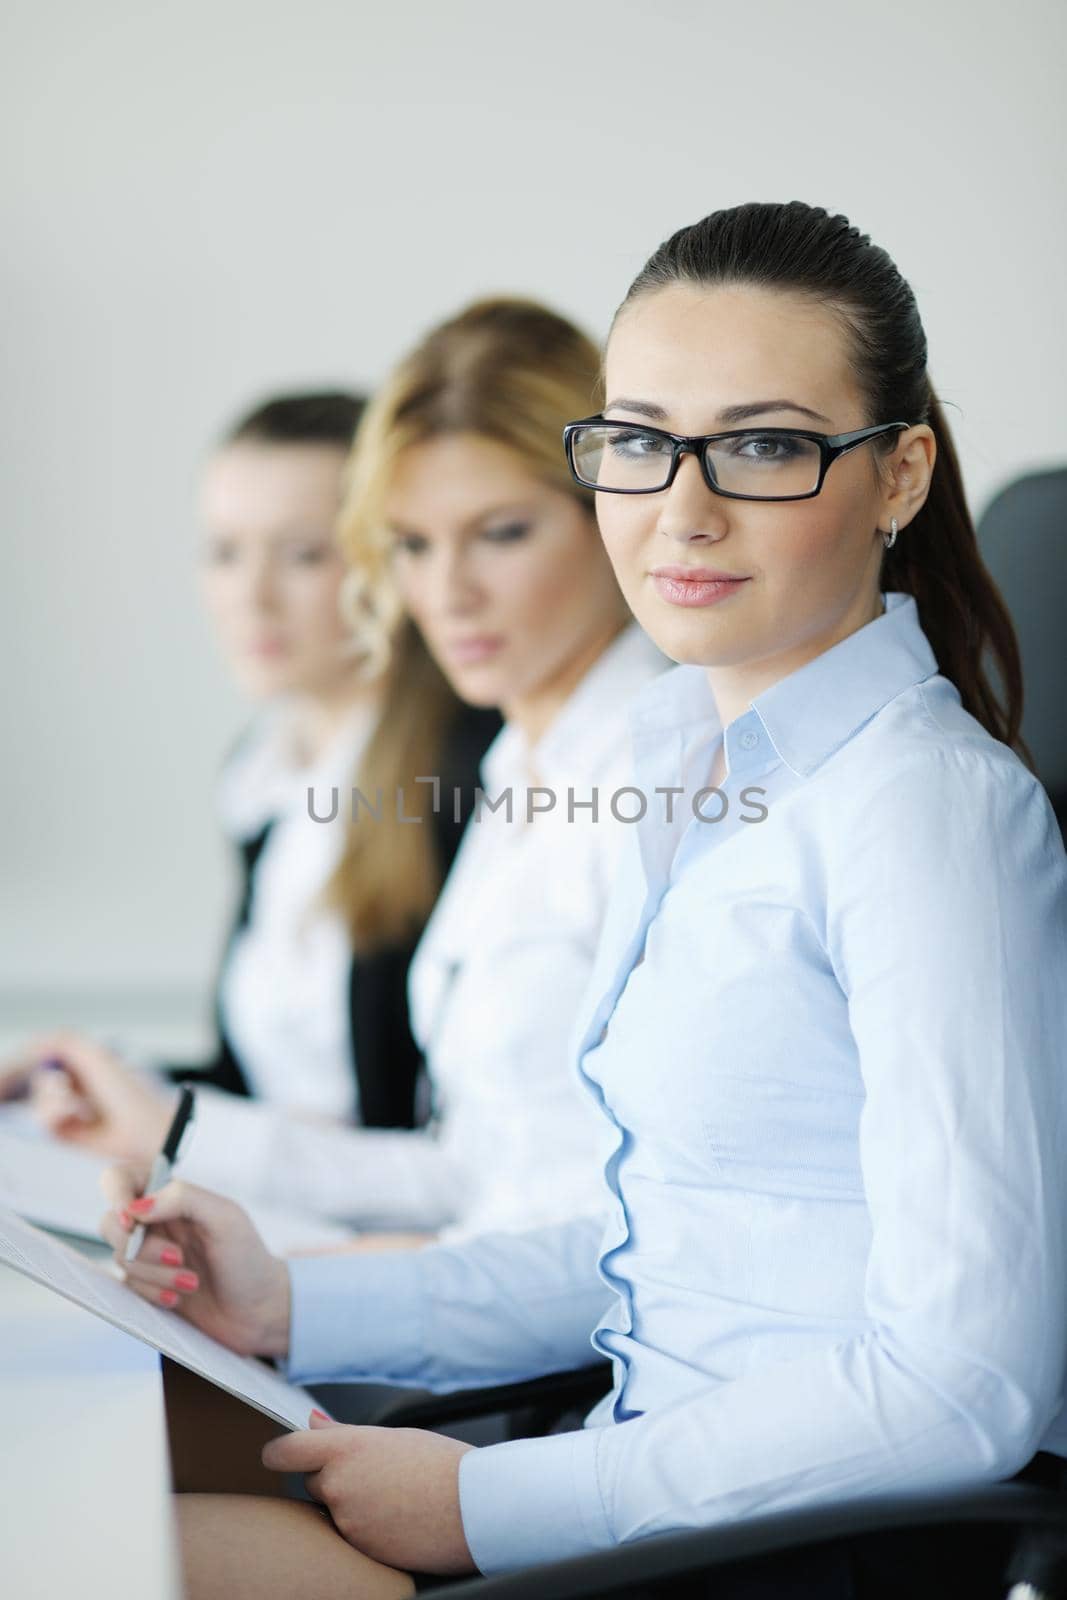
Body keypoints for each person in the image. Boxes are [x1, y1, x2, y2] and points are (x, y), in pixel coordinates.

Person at [101, 202, 1067, 1599]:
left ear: (897, 474)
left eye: (761, 444)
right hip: (649, 1479)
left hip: (776, 1549)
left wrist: (497, 1504)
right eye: (634, 441)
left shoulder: (918, 814)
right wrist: (299, 1301)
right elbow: (653, 1247)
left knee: (113, 1548)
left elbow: (959, 1384)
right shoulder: (690, 768)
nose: (679, 509)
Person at [1, 394, 499, 1196]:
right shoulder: (264, 774)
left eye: (304, 554)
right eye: (224, 552)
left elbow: (459, 1154)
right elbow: (266, 1085)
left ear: (387, 561)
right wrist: (99, 1082)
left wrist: (173, 1128)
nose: (252, 596)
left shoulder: (467, 774)